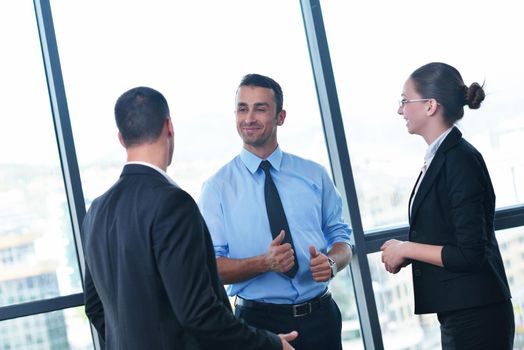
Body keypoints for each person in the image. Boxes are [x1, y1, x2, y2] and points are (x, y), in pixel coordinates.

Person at [82, 86, 297, 349]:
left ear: (121, 138)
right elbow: (199, 313)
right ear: (169, 126)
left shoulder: (96, 211)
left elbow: (94, 306)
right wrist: (271, 344)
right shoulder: (173, 203)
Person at [198, 74, 353, 350]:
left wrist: (331, 263)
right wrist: (264, 263)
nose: (249, 117)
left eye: (260, 108)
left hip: (322, 318)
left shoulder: (314, 175)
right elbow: (211, 268)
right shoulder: (217, 189)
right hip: (258, 327)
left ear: (280, 117)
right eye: (242, 108)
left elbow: (342, 239)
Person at [380, 62, 514, 349]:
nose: (399, 110)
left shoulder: (460, 160)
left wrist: (406, 249)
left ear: (430, 106)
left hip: (478, 315)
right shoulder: (442, 156)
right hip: (461, 312)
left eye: (405, 101)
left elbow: (470, 254)